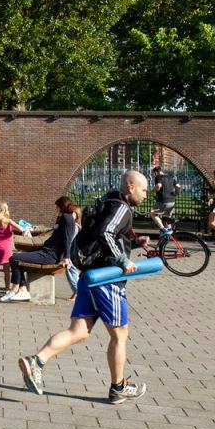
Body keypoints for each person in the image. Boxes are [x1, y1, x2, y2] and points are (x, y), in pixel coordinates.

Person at [18, 170, 146, 405]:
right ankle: (118, 388)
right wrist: (123, 261)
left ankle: (36, 361)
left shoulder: (108, 202)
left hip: (90, 276)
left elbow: (106, 237)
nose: (145, 195)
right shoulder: (122, 207)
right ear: (130, 187)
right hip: (107, 280)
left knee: (79, 332)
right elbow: (106, 233)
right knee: (120, 333)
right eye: (143, 189)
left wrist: (134, 244)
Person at [2, 195, 79, 302]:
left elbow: (68, 239)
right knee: (18, 257)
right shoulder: (66, 218)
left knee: (14, 258)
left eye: (57, 207)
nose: (56, 210)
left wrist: (66, 258)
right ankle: (22, 288)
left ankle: (16, 289)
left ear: (61, 206)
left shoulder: (67, 218)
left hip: (49, 255)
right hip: (47, 252)